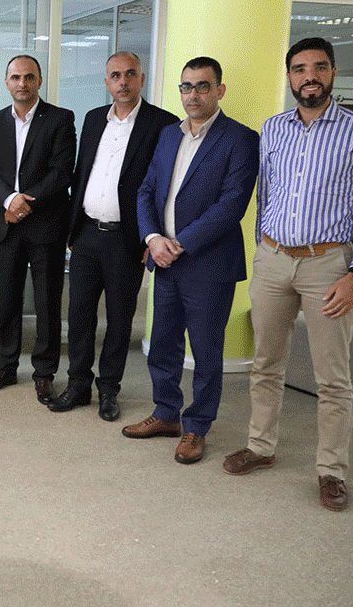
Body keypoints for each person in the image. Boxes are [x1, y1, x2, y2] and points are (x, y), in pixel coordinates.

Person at [224, 37, 353, 511]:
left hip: (329, 265)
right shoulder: (274, 128)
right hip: (273, 259)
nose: (309, 76)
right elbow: (266, 195)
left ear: (333, 72)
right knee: (265, 363)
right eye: (299, 69)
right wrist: (263, 249)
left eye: (319, 67)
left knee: (332, 376)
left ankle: (331, 470)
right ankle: (261, 446)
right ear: (290, 77)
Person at [126, 57, 259, 465]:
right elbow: (147, 190)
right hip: (164, 261)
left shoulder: (241, 138)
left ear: (220, 90)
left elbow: (231, 205)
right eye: (186, 86)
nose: (193, 94)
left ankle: (197, 426)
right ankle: (167, 413)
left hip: (208, 265)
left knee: (205, 351)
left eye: (202, 86)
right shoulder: (170, 135)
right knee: (162, 345)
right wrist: (153, 238)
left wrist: (178, 243)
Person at [52, 52, 178, 420]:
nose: (123, 82)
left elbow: (165, 187)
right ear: (107, 82)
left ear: (142, 79)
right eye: (115, 75)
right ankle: (78, 385)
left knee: (119, 319)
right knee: (78, 315)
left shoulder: (163, 124)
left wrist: (151, 236)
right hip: (87, 234)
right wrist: (72, 229)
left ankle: (109, 389)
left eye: (130, 74)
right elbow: (82, 173)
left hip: (128, 239)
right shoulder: (94, 119)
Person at [0, 54, 76, 402]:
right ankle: (5, 366)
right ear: (7, 82)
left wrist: (24, 203)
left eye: (29, 77)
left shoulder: (61, 119)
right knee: (7, 301)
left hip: (45, 224)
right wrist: (9, 200)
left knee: (47, 303)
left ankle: (44, 373)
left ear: (39, 81)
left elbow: (62, 172)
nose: (22, 83)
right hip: (5, 225)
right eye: (16, 77)